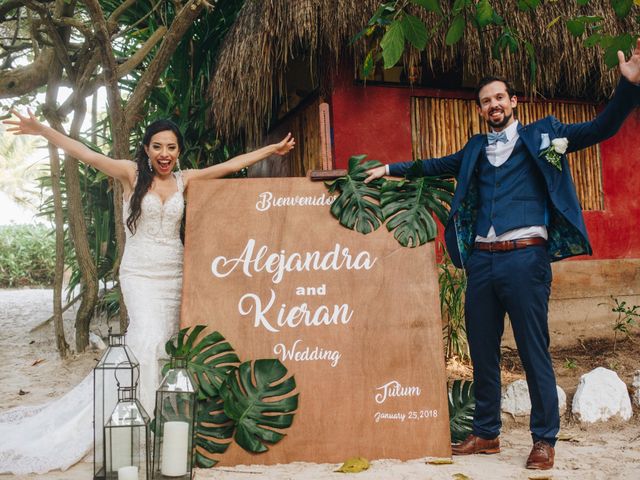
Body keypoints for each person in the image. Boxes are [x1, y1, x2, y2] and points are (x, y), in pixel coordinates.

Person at [365, 40, 640, 470]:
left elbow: (601, 128)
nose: (493, 105)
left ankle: (544, 439)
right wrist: (388, 169)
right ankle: (487, 434)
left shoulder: (544, 136)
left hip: (525, 258)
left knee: (533, 351)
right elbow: (436, 165)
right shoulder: (475, 148)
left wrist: (627, 88)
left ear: (514, 102)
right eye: (485, 101)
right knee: (482, 351)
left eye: (499, 97)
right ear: (480, 110)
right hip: (482, 262)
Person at [0, 113, 294, 474]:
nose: (164, 153)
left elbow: (230, 165)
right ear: (146, 149)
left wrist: (271, 149)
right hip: (138, 274)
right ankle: (133, 422)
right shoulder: (131, 173)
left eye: (171, 147)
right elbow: (86, 154)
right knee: (146, 339)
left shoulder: (185, 180)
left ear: (179, 151)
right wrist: (43, 130)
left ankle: (157, 425)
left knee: (166, 347)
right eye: (158, 146)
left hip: (173, 274)